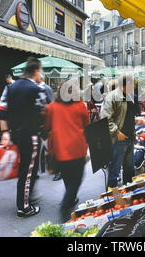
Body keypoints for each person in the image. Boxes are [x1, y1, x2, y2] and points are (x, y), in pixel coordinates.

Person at [0, 57, 50, 218]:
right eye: (40, 71)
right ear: (36, 71)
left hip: (16, 134)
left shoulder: (11, 87)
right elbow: (46, 111)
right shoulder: (36, 89)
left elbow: (1, 111)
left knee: (24, 170)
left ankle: (25, 201)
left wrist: (5, 133)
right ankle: (24, 207)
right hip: (31, 134)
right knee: (28, 171)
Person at [43, 78, 90, 222]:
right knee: (77, 178)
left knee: (68, 176)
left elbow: (47, 127)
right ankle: (65, 204)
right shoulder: (81, 105)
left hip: (59, 149)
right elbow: (87, 125)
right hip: (77, 148)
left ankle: (70, 199)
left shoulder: (51, 107)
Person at [101, 74, 136, 188]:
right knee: (114, 171)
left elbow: (129, 115)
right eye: (133, 83)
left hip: (130, 138)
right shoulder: (113, 96)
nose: (135, 86)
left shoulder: (129, 95)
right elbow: (105, 119)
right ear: (126, 84)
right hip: (119, 140)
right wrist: (117, 133)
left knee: (129, 169)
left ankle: (128, 192)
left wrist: (133, 129)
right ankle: (111, 198)